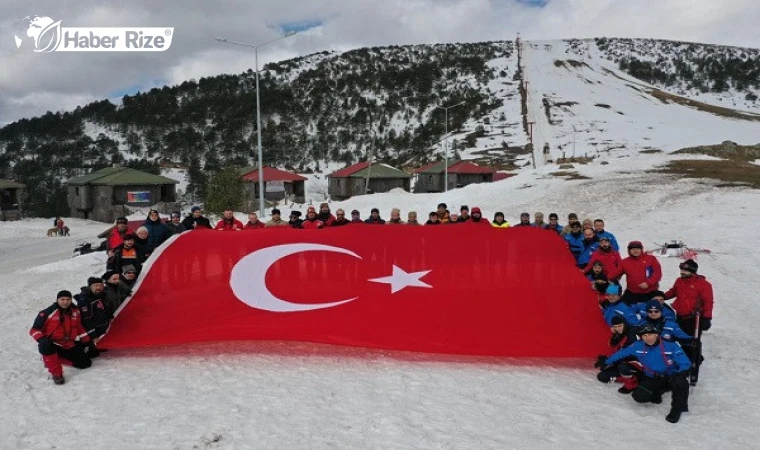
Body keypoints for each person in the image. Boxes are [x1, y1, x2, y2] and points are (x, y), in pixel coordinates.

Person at [602, 324, 691, 423]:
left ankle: (677, 408)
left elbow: (685, 363)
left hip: (669, 376)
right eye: (644, 335)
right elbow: (622, 353)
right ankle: (659, 391)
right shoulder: (637, 345)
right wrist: (606, 362)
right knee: (639, 397)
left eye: (650, 334)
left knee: (680, 381)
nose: (648, 338)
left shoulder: (671, 346)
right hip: (652, 377)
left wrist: (679, 374)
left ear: (657, 334)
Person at [30, 290, 93, 384]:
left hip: (68, 343)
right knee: (45, 346)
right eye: (62, 299)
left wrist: (87, 341)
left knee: (85, 363)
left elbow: (79, 327)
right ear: (57, 300)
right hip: (53, 343)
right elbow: (34, 329)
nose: (65, 302)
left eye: (68, 299)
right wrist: (42, 339)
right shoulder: (47, 312)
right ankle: (56, 373)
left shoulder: (75, 311)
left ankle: (54, 358)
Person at [664, 259, 714, 336]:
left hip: (694, 318)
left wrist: (707, 318)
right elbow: (673, 292)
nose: (682, 272)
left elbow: (708, 301)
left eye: (685, 271)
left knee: (693, 343)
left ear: (693, 271)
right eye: (681, 270)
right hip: (680, 316)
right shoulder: (679, 280)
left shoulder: (704, 284)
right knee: (680, 338)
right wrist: (662, 296)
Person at [594, 315, 640, 393]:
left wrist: (608, 361)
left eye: (620, 326)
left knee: (622, 367)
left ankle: (634, 382)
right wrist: (614, 335)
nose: (618, 328)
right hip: (623, 361)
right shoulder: (620, 333)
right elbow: (614, 348)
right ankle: (626, 377)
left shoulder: (632, 333)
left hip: (638, 363)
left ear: (624, 324)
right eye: (615, 326)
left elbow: (624, 353)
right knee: (602, 376)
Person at [619, 241, 662, 305]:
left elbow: (657, 273)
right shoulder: (625, 262)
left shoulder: (651, 259)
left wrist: (648, 283)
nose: (635, 251)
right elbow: (616, 273)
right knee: (621, 306)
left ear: (641, 249)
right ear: (629, 250)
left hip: (650, 292)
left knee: (653, 311)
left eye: (637, 249)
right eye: (633, 249)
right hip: (632, 292)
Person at [75, 277, 111, 345]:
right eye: (96, 285)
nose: (98, 287)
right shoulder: (85, 300)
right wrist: (94, 336)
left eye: (100, 285)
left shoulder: (101, 296)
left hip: (103, 332)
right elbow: (86, 320)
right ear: (90, 287)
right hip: (94, 336)